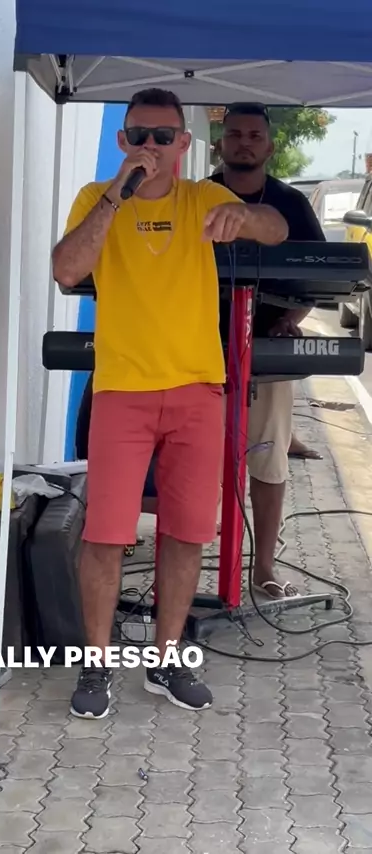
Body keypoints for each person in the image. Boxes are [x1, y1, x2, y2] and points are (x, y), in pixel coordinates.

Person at [52, 87, 288, 719]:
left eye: (163, 136)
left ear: (184, 143)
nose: (151, 146)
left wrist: (242, 215)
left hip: (197, 390)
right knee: (106, 535)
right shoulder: (95, 197)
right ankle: (96, 664)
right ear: (123, 140)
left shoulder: (202, 198)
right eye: (139, 136)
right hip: (122, 390)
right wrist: (117, 193)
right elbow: (67, 270)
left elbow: (277, 227)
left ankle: (167, 659)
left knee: (186, 533)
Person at [210, 102, 326, 600]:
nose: (244, 143)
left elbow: (323, 273)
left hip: (267, 353)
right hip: (196, 350)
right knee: (192, 463)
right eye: (235, 134)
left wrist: (291, 318)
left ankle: (263, 567)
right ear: (220, 143)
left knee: (269, 458)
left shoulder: (291, 203)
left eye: (254, 135)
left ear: (270, 145)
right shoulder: (197, 196)